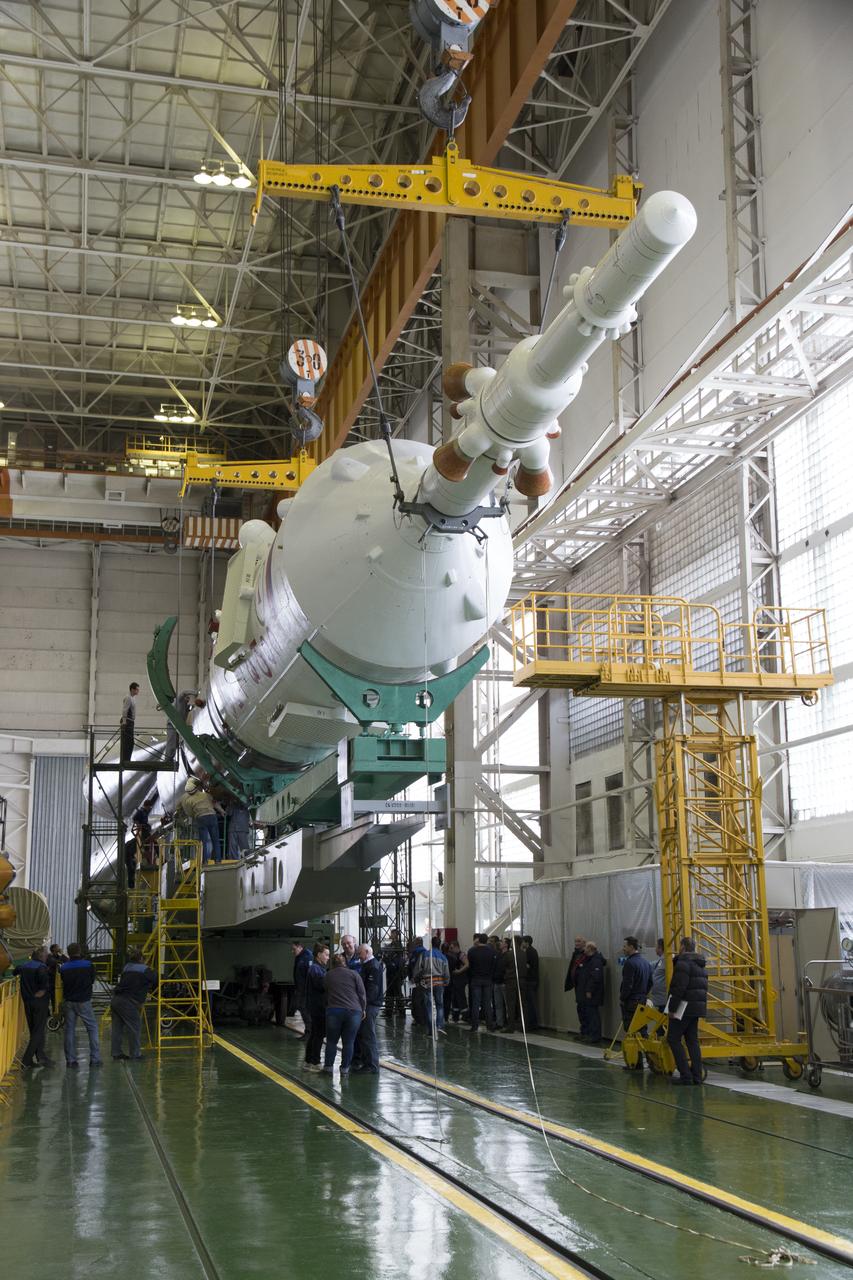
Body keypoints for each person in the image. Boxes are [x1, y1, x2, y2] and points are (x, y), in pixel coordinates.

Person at [666, 937, 708, 1086]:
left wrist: (672, 1008)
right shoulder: (701, 964)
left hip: (683, 1008)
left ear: (683, 946)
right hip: (696, 1008)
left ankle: (685, 1075)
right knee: (692, 1041)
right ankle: (697, 1076)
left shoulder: (683, 963)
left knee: (673, 1039)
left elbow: (679, 988)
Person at [60, 943, 101, 1068]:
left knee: (69, 1031)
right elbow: (92, 980)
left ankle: (71, 1061)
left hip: (69, 1001)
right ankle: (94, 1060)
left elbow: (63, 981)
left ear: (68, 952)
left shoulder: (63, 967)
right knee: (92, 1028)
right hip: (84, 1001)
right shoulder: (89, 965)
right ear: (80, 951)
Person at [323, 953, 366, 1075]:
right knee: (349, 1042)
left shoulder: (328, 975)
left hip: (334, 1011)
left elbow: (326, 993)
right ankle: (345, 1069)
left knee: (331, 1041)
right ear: (345, 963)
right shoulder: (354, 974)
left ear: (332, 964)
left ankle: (328, 1068)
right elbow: (362, 994)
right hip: (353, 1012)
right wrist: (362, 1009)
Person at [110, 948, 156, 1061]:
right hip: (128, 1002)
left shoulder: (126, 967)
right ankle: (135, 1054)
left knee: (117, 1028)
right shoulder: (144, 969)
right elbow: (155, 978)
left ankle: (116, 1053)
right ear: (141, 958)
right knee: (134, 1027)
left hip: (116, 999)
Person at [15, 946, 53, 1068]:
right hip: (39, 1003)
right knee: (38, 1032)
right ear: (41, 956)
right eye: (46, 954)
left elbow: (15, 971)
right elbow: (45, 986)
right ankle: (25, 1061)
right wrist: (41, 992)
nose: (47, 956)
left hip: (27, 1002)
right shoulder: (41, 968)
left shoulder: (25, 965)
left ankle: (40, 1057)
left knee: (34, 1031)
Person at [352, 943, 384, 1073]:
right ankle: (366, 1062)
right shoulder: (368, 965)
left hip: (370, 1006)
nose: (359, 957)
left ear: (367, 952)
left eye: (360, 954)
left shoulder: (373, 967)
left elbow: (372, 990)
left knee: (368, 1035)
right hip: (367, 1005)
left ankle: (372, 1065)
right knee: (363, 1035)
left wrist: (363, 1006)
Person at [177, 777, 223, 863]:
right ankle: (218, 860)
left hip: (201, 818)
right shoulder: (205, 795)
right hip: (212, 816)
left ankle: (204, 861)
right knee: (215, 840)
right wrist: (222, 811)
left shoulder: (187, 799)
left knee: (203, 842)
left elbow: (186, 811)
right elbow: (214, 803)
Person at [412, 936, 450, 1037]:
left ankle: (430, 1031)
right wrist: (446, 982)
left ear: (431, 943)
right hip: (439, 984)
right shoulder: (443, 957)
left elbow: (418, 969)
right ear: (439, 944)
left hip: (427, 983)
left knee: (428, 1006)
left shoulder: (425, 954)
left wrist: (415, 979)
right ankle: (439, 1026)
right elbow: (446, 973)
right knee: (440, 1005)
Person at [303, 942, 329, 1072]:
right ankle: (315, 1061)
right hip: (318, 1008)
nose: (328, 957)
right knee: (318, 1035)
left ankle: (308, 1061)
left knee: (314, 1034)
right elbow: (322, 986)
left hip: (315, 1007)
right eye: (326, 954)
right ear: (319, 955)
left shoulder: (317, 968)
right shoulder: (316, 969)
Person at [574, 941, 606, 1044]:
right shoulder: (588, 959)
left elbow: (595, 977)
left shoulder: (596, 961)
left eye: (586, 948)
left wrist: (589, 990)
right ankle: (587, 1033)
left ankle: (595, 1036)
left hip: (592, 993)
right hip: (583, 992)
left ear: (590, 949)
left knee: (592, 1014)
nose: (584, 950)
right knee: (585, 1012)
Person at [619, 936, 652, 1034]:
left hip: (631, 1002)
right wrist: (644, 994)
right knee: (642, 1026)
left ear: (631, 947)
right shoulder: (646, 963)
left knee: (631, 1029)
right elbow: (650, 982)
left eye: (625, 946)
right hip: (642, 1000)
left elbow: (627, 984)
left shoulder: (630, 963)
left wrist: (623, 998)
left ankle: (634, 1049)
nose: (623, 949)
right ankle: (644, 1048)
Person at [467, 934, 496, 1032]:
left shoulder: (472, 951)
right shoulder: (492, 951)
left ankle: (474, 1026)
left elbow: (469, 966)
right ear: (486, 940)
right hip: (488, 979)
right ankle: (490, 1026)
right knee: (487, 1003)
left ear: (478, 940)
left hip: (476, 979)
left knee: (476, 1003)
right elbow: (493, 965)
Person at [166, 689, 205, 759]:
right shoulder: (179, 700)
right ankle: (168, 759)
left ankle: (171, 757)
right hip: (172, 724)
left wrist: (198, 704)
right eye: (187, 698)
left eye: (188, 699)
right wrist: (195, 693)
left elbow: (192, 707)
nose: (188, 699)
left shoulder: (186, 706)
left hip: (179, 726)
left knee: (175, 743)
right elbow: (184, 692)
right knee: (172, 742)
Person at [563, 935, 587, 1036]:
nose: (577, 943)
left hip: (584, 987)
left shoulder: (586, 955)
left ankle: (587, 1032)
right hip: (577, 986)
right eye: (575, 941)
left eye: (579, 941)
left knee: (585, 1009)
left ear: (584, 943)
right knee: (580, 1008)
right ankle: (583, 1031)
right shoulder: (575, 954)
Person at [381, 929, 407, 1019]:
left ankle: (400, 1012)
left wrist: (386, 957)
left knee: (397, 992)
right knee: (390, 992)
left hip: (396, 971)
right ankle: (389, 1011)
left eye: (392, 933)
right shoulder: (393, 945)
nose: (390, 935)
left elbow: (394, 956)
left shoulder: (398, 945)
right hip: (391, 971)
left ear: (396, 935)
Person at [291, 941, 313, 1039]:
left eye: (294, 949)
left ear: (300, 947)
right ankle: (308, 1032)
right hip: (301, 989)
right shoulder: (300, 957)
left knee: (306, 1011)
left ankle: (310, 1033)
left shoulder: (307, 957)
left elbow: (310, 975)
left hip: (306, 990)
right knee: (302, 1009)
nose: (292, 951)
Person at [522, 935, 540, 1031]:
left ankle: (532, 1024)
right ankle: (532, 1023)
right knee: (530, 1003)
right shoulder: (533, 951)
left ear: (526, 942)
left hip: (530, 980)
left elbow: (528, 966)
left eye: (523, 942)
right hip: (533, 980)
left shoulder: (529, 952)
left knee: (530, 1003)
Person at [46, 943, 68, 1014]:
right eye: (57, 947)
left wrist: (62, 955)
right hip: (50, 981)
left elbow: (67, 961)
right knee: (50, 997)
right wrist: (61, 958)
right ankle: (50, 1013)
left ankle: (56, 1011)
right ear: (53, 949)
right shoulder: (49, 957)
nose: (59, 948)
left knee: (56, 998)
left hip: (57, 981)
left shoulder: (59, 956)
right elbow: (54, 963)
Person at [493, 939, 510, 1029]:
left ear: (506, 945)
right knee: (498, 1004)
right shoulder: (498, 955)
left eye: (503, 942)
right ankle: (500, 1023)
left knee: (507, 1005)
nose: (500, 943)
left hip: (504, 983)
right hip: (497, 982)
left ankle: (508, 1023)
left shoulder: (508, 955)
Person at [120, 681, 139, 761]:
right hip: (127, 722)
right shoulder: (128, 698)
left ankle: (127, 759)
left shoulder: (133, 698)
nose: (138, 691)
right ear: (132, 689)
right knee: (127, 743)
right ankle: (125, 760)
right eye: (137, 689)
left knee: (130, 743)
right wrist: (124, 722)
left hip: (131, 722)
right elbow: (125, 710)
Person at [649, 938, 667, 1013]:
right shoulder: (661, 960)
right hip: (660, 999)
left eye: (656, 946)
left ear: (660, 948)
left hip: (664, 1000)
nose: (655, 949)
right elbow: (652, 964)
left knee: (665, 1022)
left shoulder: (667, 960)